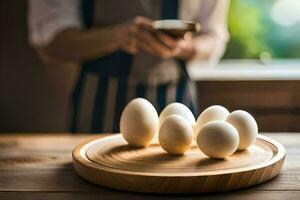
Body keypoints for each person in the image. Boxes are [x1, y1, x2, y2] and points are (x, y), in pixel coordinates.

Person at [28, 0, 229, 133]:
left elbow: (214, 36)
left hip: (177, 99)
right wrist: (116, 36)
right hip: (98, 102)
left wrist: (186, 47)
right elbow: (51, 42)